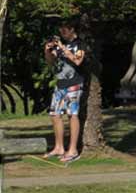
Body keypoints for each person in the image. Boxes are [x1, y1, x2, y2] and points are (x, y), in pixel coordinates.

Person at [43, 19, 86, 163]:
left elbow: (78, 60)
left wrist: (62, 47)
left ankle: (72, 150)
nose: (62, 32)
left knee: (72, 114)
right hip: (60, 84)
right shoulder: (61, 45)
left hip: (74, 84)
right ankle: (59, 147)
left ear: (72, 29)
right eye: (61, 30)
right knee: (55, 114)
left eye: (65, 30)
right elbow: (50, 61)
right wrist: (47, 50)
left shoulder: (80, 43)